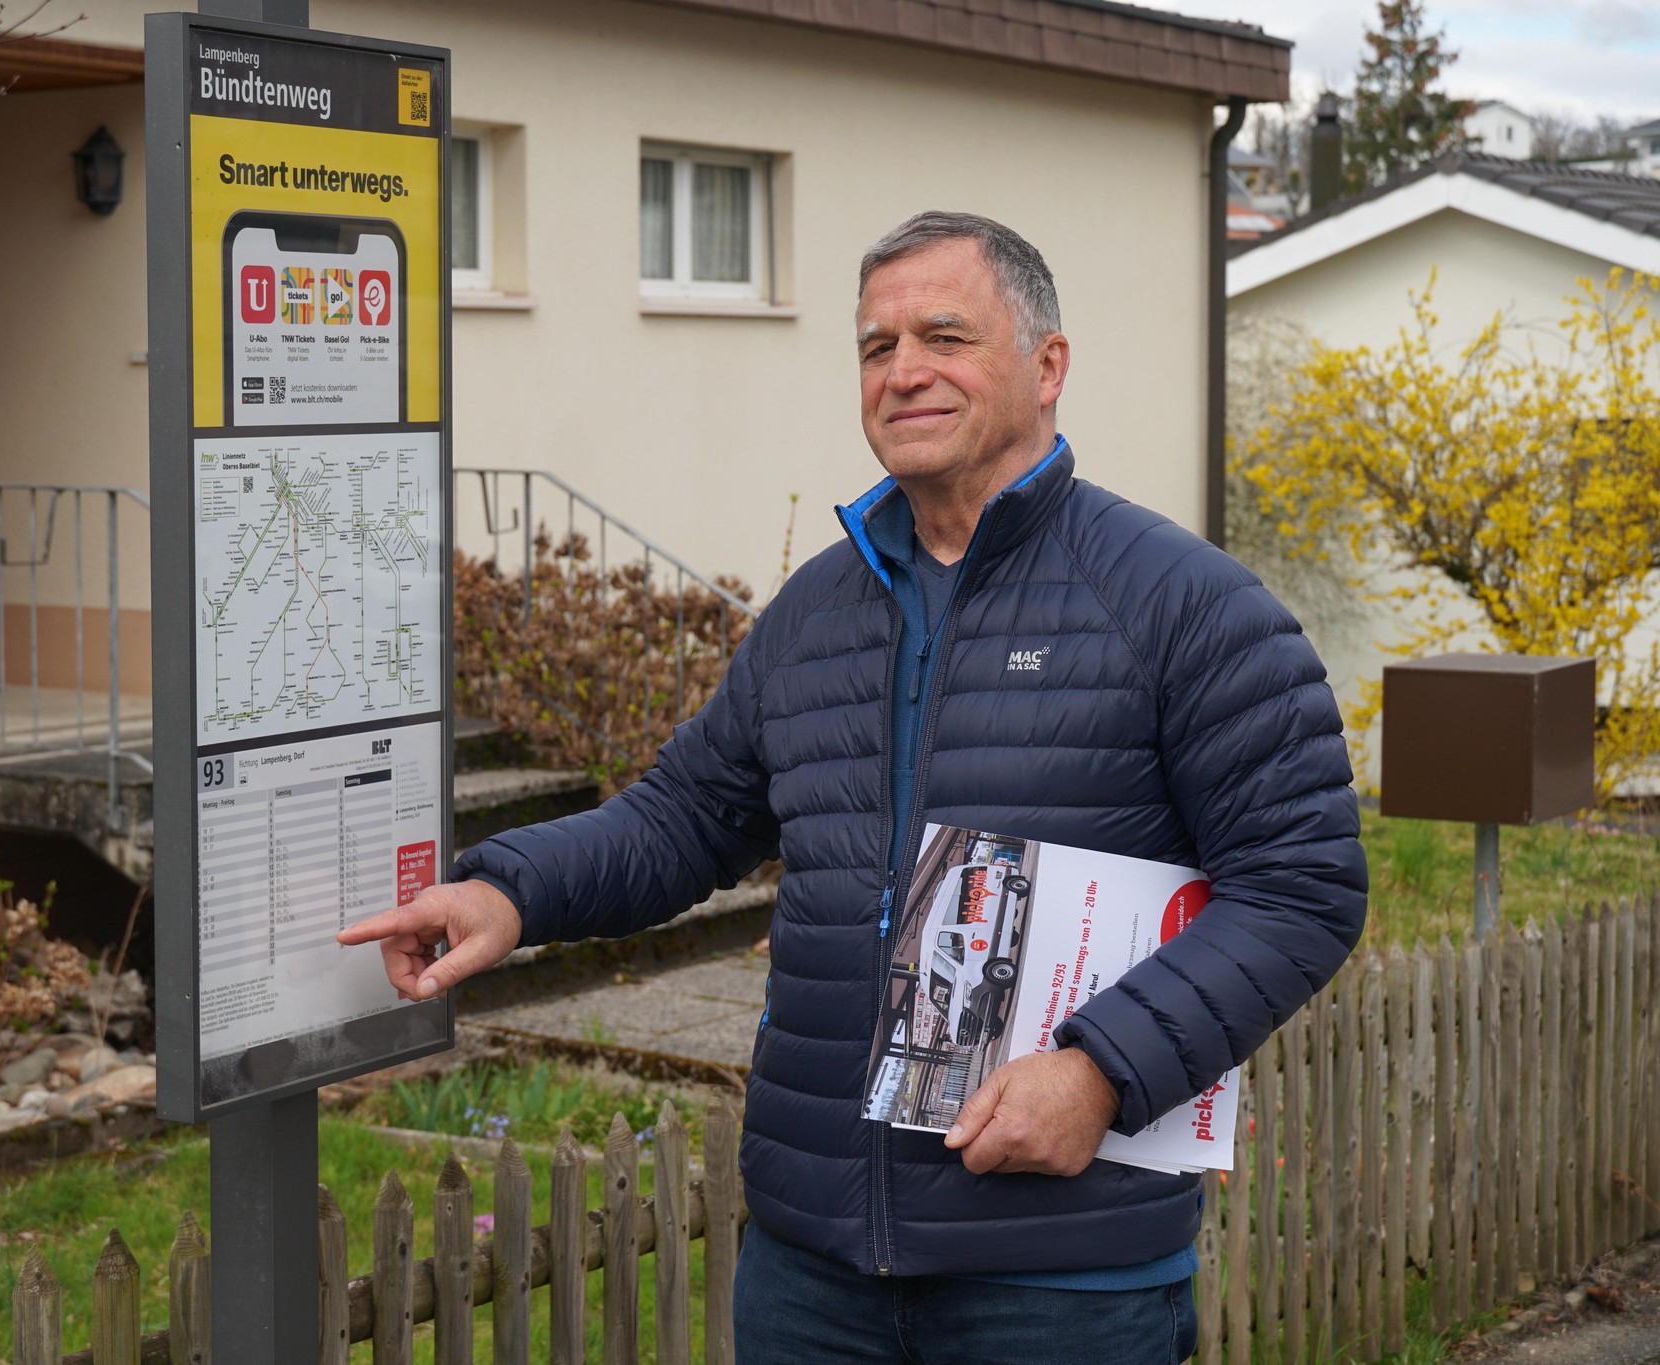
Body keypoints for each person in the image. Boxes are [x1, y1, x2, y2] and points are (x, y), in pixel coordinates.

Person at [340, 210, 1367, 1364]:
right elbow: (685, 818)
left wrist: (1099, 1071)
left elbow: (1298, 890)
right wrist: (508, 892)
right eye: (876, 347)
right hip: (811, 1269)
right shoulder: (816, 613)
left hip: (1057, 1280)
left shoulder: (1186, 605)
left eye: (943, 335)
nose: (903, 371)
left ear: (1046, 364)